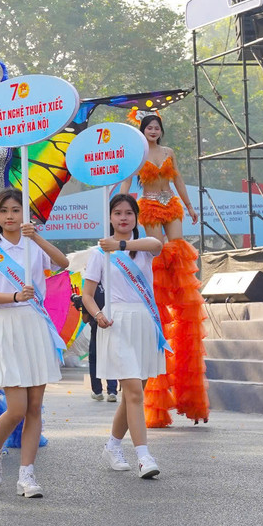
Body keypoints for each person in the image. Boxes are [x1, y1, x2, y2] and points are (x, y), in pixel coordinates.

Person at [117, 112, 210, 426]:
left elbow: (178, 179)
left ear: (161, 132)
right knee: (157, 250)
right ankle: (160, 286)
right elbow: (128, 182)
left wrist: (192, 206)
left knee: (178, 250)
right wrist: (119, 203)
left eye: (157, 128)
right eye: (149, 127)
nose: (154, 131)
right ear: (142, 132)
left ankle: (178, 284)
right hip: (148, 205)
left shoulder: (169, 154)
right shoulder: (137, 153)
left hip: (171, 203)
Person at [0, 189, 70, 498]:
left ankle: (27, 475)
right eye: (4, 211)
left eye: (16, 210)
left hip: (35, 324)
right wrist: (16, 295)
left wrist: (38, 237)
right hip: (7, 324)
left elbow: (63, 262)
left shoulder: (33, 246)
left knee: (34, 407)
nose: (10, 216)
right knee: (16, 408)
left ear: (24, 215)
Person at [83, 193, 166, 478]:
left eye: (128, 213)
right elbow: (88, 295)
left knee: (134, 393)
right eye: (117, 213)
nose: (123, 218)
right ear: (109, 217)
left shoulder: (141, 248)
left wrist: (120, 244)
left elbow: (158, 244)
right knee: (132, 391)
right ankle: (144, 456)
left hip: (144, 323)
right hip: (116, 323)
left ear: (135, 217)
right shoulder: (98, 254)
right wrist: (98, 315)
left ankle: (113, 445)